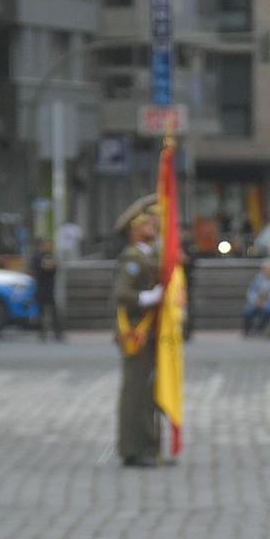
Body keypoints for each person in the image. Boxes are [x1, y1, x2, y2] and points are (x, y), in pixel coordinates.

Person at [111, 195, 165, 466]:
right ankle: (132, 449)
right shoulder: (131, 256)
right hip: (134, 331)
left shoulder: (149, 253)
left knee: (149, 391)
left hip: (150, 331)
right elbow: (122, 293)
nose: (155, 225)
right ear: (135, 228)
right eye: (148, 221)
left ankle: (150, 445)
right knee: (135, 392)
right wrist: (149, 297)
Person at [32, 241, 65, 342]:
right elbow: (38, 270)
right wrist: (46, 266)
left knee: (53, 312)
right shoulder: (37, 257)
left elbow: (55, 268)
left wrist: (50, 266)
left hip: (49, 289)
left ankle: (57, 333)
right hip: (41, 288)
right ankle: (42, 333)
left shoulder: (51, 256)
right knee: (42, 312)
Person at [243, 260, 270, 335]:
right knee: (248, 311)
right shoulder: (258, 277)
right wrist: (256, 300)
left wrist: (265, 300)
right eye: (265, 269)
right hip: (256, 301)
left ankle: (260, 329)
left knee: (267, 311)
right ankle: (247, 330)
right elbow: (251, 291)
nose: (267, 271)